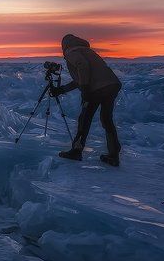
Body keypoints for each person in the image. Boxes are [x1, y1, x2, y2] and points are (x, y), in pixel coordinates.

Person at [50, 34, 122, 166]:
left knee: (85, 119)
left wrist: (85, 89)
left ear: (64, 45)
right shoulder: (87, 51)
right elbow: (80, 77)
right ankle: (114, 155)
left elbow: (82, 66)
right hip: (112, 85)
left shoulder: (72, 51)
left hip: (98, 89)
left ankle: (76, 150)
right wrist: (62, 90)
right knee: (106, 119)